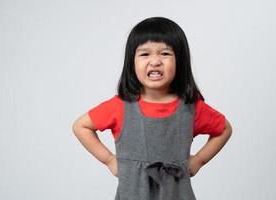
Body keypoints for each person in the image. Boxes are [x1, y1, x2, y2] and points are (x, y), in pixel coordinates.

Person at [72, 16, 232, 200]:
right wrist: (109, 160)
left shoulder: (190, 108)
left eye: (165, 53)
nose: (155, 61)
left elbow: (224, 129)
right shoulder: (121, 106)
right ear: (132, 62)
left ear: (179, 60)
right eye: (144, 54)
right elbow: (81, 126)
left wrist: (199, 160)